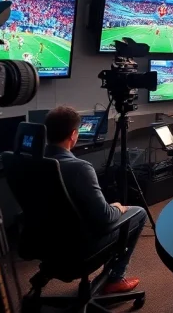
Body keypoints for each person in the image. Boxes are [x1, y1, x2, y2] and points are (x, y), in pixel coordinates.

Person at [43, 106, 146, 294]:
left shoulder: (32, 161)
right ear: (74, 135)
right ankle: (114, 278)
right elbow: (105, 217)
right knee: (139, 212)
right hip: (78, 248)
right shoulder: (80, 168)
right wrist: (117, 207)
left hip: (43, 242)